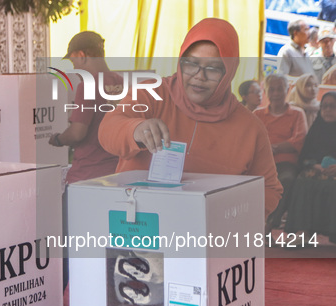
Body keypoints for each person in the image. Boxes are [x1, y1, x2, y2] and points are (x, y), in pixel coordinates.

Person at [98, 18, 282, 220]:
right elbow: (107, 130)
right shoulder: (151, 94)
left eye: (212, 68)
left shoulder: (250, 128)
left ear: (229, 71)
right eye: (191, 64)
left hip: (206, 238)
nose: (199, 76)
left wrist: (230, 218)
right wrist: (135, 129)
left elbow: (269, 189)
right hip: (138, 228)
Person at [48, 31, 122, 184]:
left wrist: (58, 139)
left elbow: (77, 133)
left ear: (82, 55)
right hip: (116, 173)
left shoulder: (87, 86)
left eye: (73, 61)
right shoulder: (121, 83)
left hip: (87, 175)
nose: (74, 67)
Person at [254, 73, 307, 233]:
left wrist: (272, 148)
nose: (276, 94)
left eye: (280, 89)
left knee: (286, 180)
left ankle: (268, 226)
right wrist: (266, 150)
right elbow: (251, 140)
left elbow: (298, 141)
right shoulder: (258, 114)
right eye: (272, 90)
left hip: (286, 164)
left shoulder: (297, 113)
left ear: (287, 90)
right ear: (266, 92)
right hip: (261, 164)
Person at [285, 91, 336, 242]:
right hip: (316, 170)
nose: (327, 110)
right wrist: (315, 165)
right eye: (324, 106)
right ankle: (303, 233)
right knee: (303, 181)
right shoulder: (316, 129)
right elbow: (305, 156)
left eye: (332, 106)